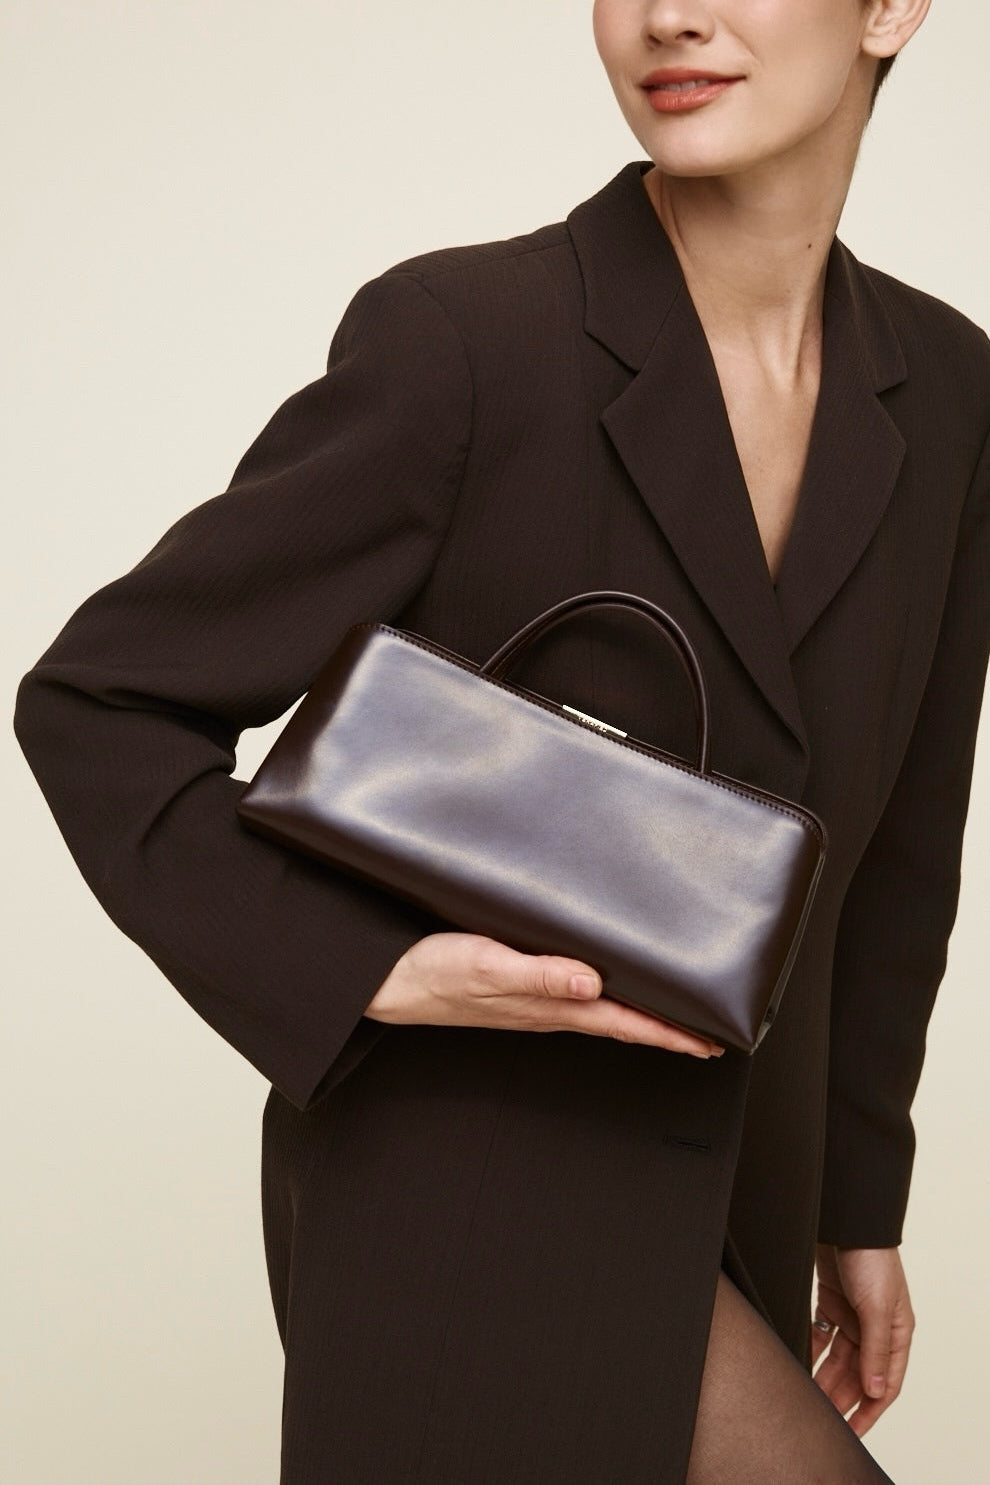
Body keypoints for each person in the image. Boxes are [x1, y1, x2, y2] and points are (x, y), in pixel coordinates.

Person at [14, 0, 989, 1479]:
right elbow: (100, 702)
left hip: (739, 1179)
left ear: (890, 8)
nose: (669, 14)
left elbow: (903, 841)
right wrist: (376, 969)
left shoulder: (949, 382)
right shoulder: (467, 341)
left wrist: (860, 1198)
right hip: (462, 1184)